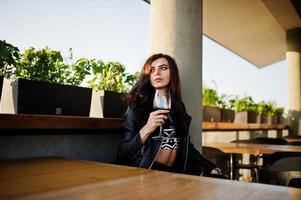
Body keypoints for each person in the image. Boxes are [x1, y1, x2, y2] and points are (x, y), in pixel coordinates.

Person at [117, 53, 223, 177]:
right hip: (148, 171)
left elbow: (187, 148)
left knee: (220, 180)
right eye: (152, 70)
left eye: (163, 68)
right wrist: (147, 129)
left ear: (172, 73)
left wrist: (211, 167)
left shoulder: (178, 107)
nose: (157, 73)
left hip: (175, 173)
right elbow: (123, 153)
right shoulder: (138, 106)